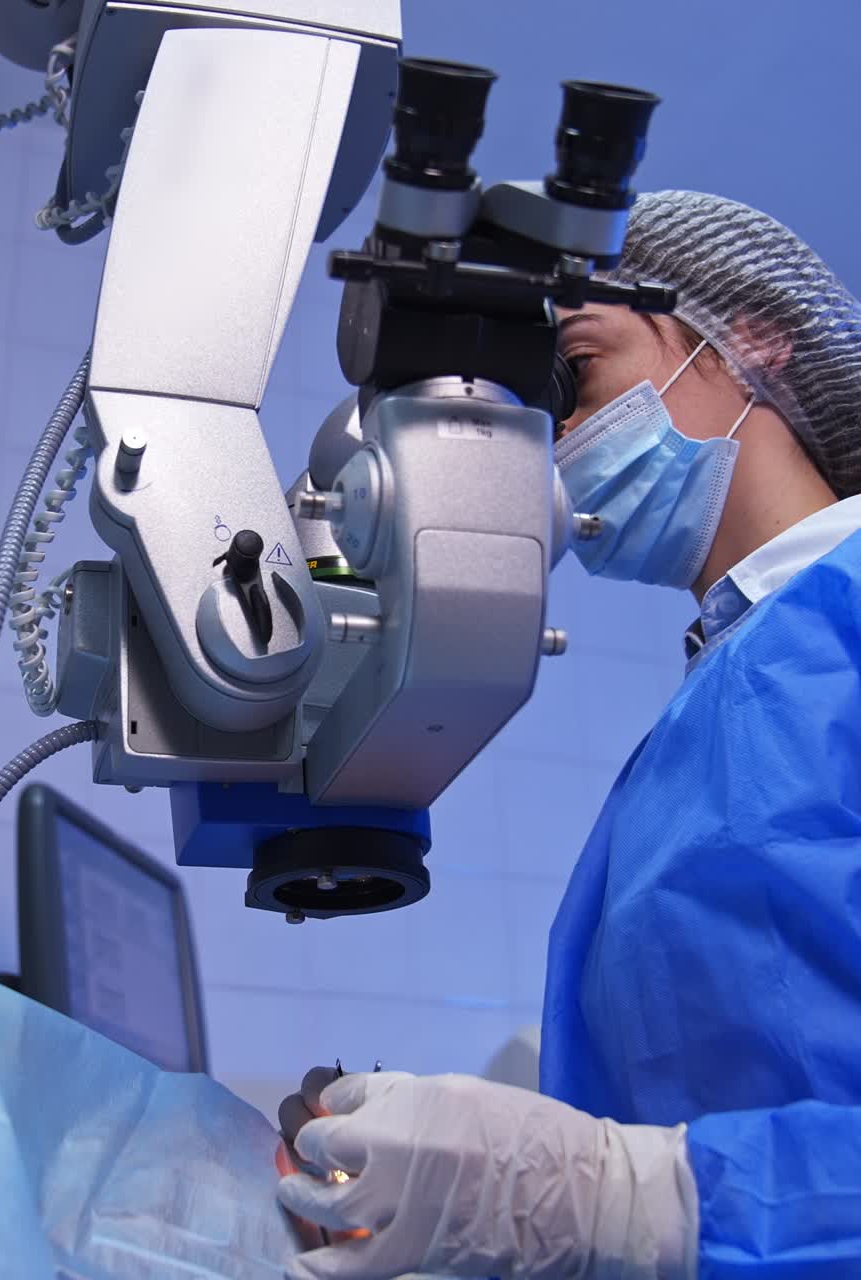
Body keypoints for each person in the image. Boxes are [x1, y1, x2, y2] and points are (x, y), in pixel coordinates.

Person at [274, 190, 861, 1278]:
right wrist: (472, 1201)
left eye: (575, 372)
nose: (560, 441)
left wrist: (631, 1199)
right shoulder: (725, 685)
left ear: (754, 341)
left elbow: (642, 1184)